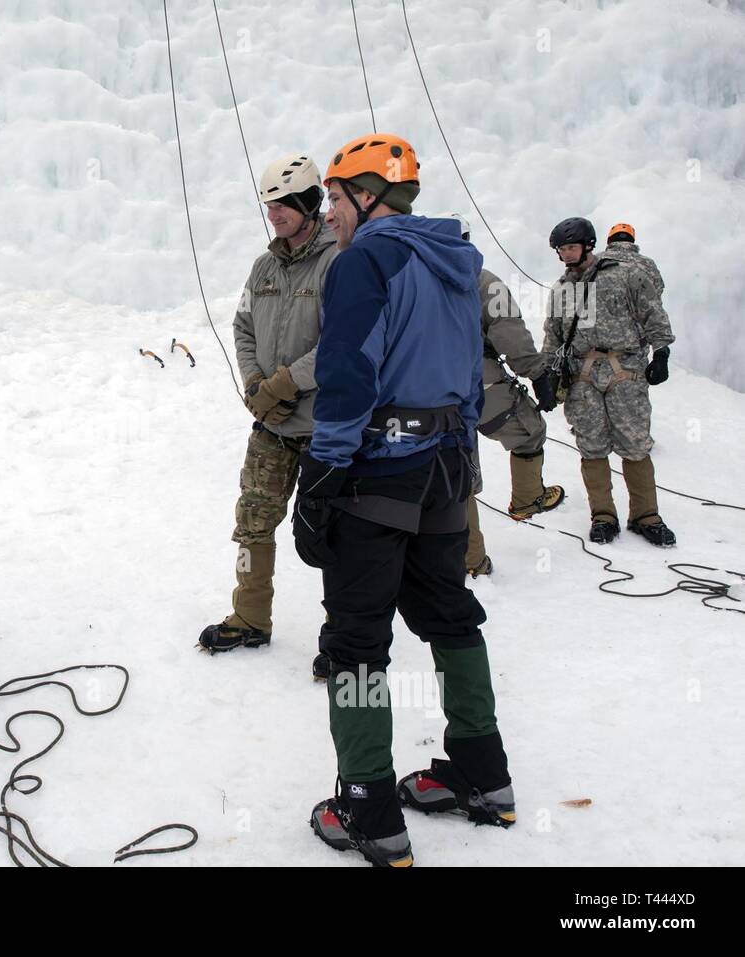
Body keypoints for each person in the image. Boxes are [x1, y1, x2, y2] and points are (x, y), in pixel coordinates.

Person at [293, 135, 515, 867]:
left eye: (333, 196)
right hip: (448, 468)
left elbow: (350, 373)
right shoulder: (455, 259)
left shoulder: (367, 261)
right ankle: (483, 776)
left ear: (368, 194)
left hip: (379, 473)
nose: (327, 214)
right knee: (448, 611)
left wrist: (322, 474)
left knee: (356, 642)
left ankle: (368, 807)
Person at [198, 154, 338, 678]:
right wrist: (257, 386)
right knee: (252, 522)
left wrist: (284, 384)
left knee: (333, 535)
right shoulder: (263, 267)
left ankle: (341, 638)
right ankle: (249, 617)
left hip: (326, 428)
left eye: (283, 205)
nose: (274, 214)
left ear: (309, 205)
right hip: (271, 425)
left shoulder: (337, 261)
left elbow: (341, 344)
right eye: (269, 206)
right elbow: (242, 327)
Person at [440, 214, 564, 578]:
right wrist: (537, 373)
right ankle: (527, 501)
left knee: (454, 470)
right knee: (530, 431)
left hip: (425, 390)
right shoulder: (484, 283)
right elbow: (510, 336)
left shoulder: (415, 280)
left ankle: (469, 559)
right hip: (477, 382)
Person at [542, 217, 676, 546]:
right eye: (562, 250)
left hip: (626, 368)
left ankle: (646, 515)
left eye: (572, 247)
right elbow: (552, 335)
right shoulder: (561, 290)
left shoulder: (626, 274)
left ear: (588, 245)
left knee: (634, 443)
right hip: (581, 373)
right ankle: (603, 515)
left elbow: (652, 312)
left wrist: (661, 352)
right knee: (591, 445)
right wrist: (545, 375)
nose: (567, 254)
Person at [604, 222, 664, 295]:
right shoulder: (648, 263)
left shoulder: (596, 261)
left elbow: (589, 293)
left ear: (609, 241)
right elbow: (658, 289)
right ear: (632, 241)